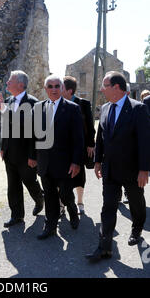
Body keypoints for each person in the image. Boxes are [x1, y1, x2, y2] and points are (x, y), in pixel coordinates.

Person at [86, 71, 150, 263]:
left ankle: (137, 228)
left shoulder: (137, 109)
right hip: (110, 170)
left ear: (116, 87)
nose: (101, 88)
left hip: (132, 170)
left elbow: (145, 141)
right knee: (108, 207)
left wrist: (144, 170)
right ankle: (104, 247)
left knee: (137, 204)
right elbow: (101, 137)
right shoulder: (105, 108)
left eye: (105, 85)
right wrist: (97, 161)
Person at [0, 70, 44, 228]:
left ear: (20, 84)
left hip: (26, 154)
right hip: (10, 152)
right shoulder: (8, 101)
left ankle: (40, 199)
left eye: (9, 81)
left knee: (30, 181)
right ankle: (17, 216)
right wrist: (3, 147)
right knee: (13, 185)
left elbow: (32, 129)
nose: (7, 83)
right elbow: (7, 127)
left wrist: (33, 155)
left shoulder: (33, 102)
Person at [32, 75, 84, 239]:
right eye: (50, 86)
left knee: (65, 195)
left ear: (62, 88)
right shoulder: (38, 108)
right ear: (45, 89)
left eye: (57, 86)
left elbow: (78, 138)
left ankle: (73, 211)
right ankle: (50, 226)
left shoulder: (73, 108)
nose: (54, 89)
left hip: (65, 163)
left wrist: (76, 162)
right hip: (45, 162)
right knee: (49, 195)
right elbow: (32, 135)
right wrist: (32, 156)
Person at [62, 76, 95, 215]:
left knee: (79, 175)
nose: (57, 89)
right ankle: (61, 204)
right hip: (62, 147)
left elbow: (89, 125)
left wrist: (90, 144)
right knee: (61, 175)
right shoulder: (57, 103)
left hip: (79, 146)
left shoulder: (83, 104)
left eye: (60, 87)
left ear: (69, 90)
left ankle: (80, 202)